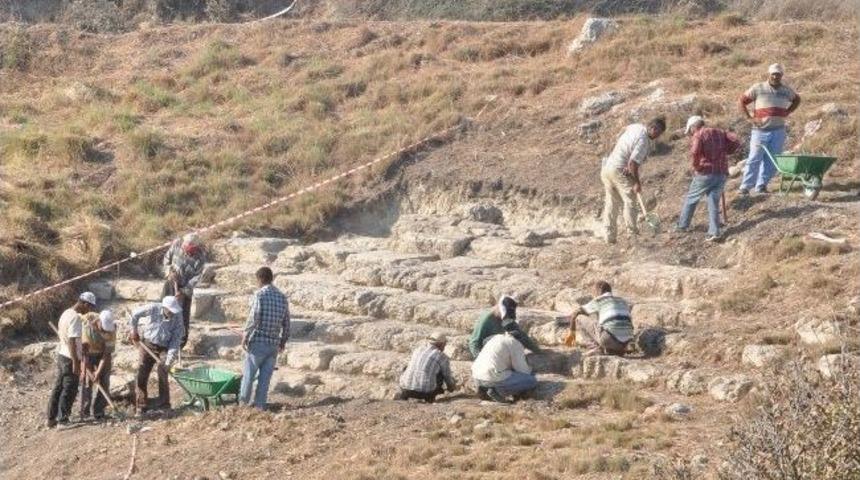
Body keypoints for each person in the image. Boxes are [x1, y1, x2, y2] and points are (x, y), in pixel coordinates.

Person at [600, 117, 667, 244]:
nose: (657, 136)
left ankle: (609, 237)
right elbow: (633, 164)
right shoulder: (644, 142)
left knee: (612, 203)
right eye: (658, 133)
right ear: (653, 128)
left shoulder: (636, 126)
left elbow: (622, 132)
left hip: (607, 167)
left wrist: (623, 157)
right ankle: (632, 235)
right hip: (618, 170)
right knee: (630, 200)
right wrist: (637, 183)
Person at [675, 116, 742, 242]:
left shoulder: (699, 134)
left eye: (690, 131)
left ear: (694, 127)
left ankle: (682, 225)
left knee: (691, 198)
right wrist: (727, 151)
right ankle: (714, 232)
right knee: (713, 202)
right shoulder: (720, 132)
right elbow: (736, 141)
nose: (691, 134)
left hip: (706, 173)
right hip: (721, 173)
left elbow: (695, 152)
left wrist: (696, 166)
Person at [738, 63, 801, 195]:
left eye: (778, 74)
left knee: (771, 160)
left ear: (781, 75)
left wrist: (787, 112)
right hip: (760, 130)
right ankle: (745, 186)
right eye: (773, 74)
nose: (775, 76)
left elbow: (797, 99)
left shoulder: (786, 90)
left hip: (778, 130)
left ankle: (761, 185)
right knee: (754, 158)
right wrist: (749, 118)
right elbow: (742, 101)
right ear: (769, 74)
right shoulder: (758, 87)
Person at [240, 267, 290, 410]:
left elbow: (254, 317)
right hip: (273, 345)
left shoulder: (259, 295)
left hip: (258, 343)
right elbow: (286, 323)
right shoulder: (282, 297)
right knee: (264, 380)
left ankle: (242, 406)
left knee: (248, 376)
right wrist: (283, 341)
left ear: (260, 279)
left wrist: (245, 335)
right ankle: (259, 407)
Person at [46, 292, 97, 428]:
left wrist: (82, 345)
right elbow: (72, 341)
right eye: (90, 307)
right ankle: (63, 421)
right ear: (85, 304)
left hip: (62, 355)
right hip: (70, 358)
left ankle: (51, 419)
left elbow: (71, 338)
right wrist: (76, 362)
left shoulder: (66, 313)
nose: (89, 310)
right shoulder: (75, 318)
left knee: (58, 387)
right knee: (69, 389)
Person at [130, 296, 185, 413]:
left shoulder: (178, 317)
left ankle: (164, 403)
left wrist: (169, 362)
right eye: (170, 311)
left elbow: (175, 341)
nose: (171, 313)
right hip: (147, 344)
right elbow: (135, 314)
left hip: (164, 347)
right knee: (142, 373)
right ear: (164, 308)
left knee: (163, 371)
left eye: (173, 311)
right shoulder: (153, 308)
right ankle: (141, 404)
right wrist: (134, 331)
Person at [471, 323, 538, 403]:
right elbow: (522, 370)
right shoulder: (515, 343)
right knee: (531, 380)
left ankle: (484, 389)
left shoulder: (496, 337)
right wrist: (531, 370)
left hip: (476, 376)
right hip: (492, 377)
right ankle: (497, 391)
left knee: (503, 373)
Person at [162, 233, 207, 348]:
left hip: (185, 290)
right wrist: (169, 272)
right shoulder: (176, 246)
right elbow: (167, 259)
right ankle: (161, 339)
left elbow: (196, 278)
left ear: (195, 247)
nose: (186, 249)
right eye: (185, 246)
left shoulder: (200, 257)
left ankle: (179, 344)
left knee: (181, 317)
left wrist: (183, 291)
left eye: (189, 248)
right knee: (164, 311)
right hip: (170, 284)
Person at [569, 281, 634, 356]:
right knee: (604, 320)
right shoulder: (622, 301)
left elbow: (575, 313)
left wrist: (572, 333)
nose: (594, 295)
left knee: (579, 318)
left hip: (609, 339)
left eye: (594, 292)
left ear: (598, 290)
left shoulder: (600, 300)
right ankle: (615, 350)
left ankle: (595, 348)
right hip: (625, 343)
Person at [468, 295, 541, 359]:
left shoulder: (507, 319)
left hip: (502, 350)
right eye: (505, 315)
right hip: (489, 351)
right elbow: (474, 342)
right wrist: (481, 360)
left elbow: (521, 334)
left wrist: (538, 351)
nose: (505, 317)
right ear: (499, 309)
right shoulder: (486, 320)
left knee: (515, 335)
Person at [397, 332, 457, 403]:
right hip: (425, 392)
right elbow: (447, 377)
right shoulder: (441, 356)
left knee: (407, 368)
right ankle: (430, 399)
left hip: (405, 388)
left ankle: (404, 397)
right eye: (444, 344)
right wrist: (451, 388)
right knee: (441, 374)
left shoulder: (418, 350)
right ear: (441, 344)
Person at [80, 310, 116, 420]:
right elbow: (83, 355)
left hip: (102, 354)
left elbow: (106, 354)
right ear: (98, 322)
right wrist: (89, 372)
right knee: (87, 381)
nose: (105, 332)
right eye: (103, 329)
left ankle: (99, 411)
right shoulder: (87, 328)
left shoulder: (112, 329)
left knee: (105, 381)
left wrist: (98, 372)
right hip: (87, 355)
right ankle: (84, 412)